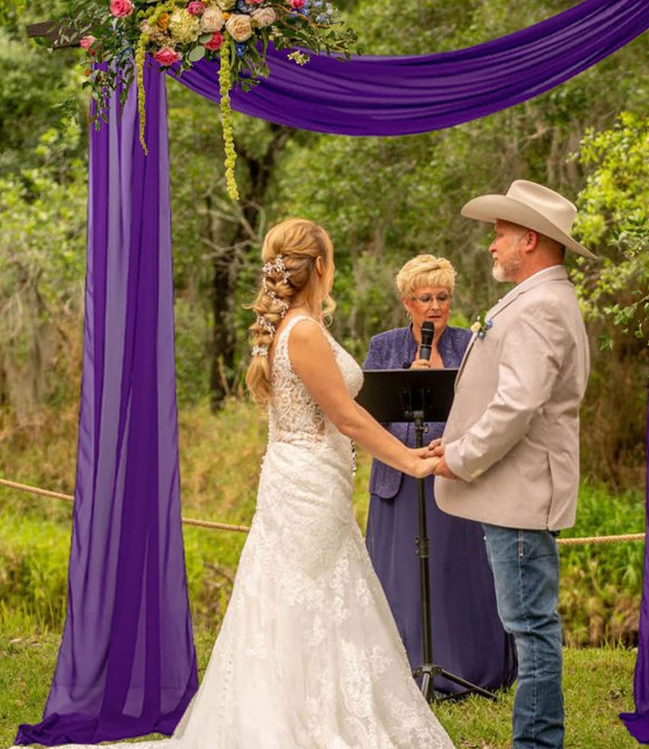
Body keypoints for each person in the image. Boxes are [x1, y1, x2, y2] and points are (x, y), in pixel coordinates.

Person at [38, 218, 455, 749]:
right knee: (312, 596)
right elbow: (346, 416)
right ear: (320, 267)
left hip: (305, 477)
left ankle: (308, 707)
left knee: (306, 596)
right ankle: (303, 723)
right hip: (306, 483)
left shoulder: (298, 325)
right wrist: (413, 461)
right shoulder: (302, 331)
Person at [431, 180, 595, 749]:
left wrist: (462, 458)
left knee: (531, 628)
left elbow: (517, 405)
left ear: (530, 239)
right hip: (514, 488)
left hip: (522, 492)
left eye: (500, 235)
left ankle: (538, 743)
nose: (492, 245)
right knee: (529, 624)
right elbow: (500, 397)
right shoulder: (537, 298)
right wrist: (452, 442)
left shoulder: (542, 307)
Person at [364, 254, 516, 695]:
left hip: (454, 474)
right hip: (399, 479)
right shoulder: (384, 346)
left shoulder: (471, 344)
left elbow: (488, 411)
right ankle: (402, 672)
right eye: (425, 298)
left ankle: (467, 668)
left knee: (455, 573)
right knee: (402, 578)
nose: (435, 306)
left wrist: (449, 440)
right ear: (407, 302)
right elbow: (367, 415)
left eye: (443, 297)